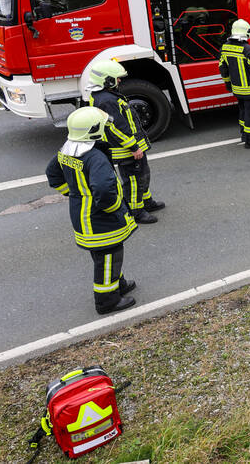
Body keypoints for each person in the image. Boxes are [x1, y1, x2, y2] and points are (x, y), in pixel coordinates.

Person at [45, 107, 138, 315]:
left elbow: (52, 173)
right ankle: (107, 301)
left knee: (104, 255)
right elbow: (105, 190)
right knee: (109, 254)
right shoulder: (94, 157)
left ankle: (117, 284)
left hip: (82, 215)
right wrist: (113, 208)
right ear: (94, 131)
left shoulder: (68, 149)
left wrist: (73, 193)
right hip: (100, 218)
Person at [85, 60, 165, 225]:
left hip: (129, 147)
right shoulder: (107, 100)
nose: (119, 81)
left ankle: (146, 202)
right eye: (117, 78)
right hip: (126, 150)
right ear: (107, 80)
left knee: (142, 175)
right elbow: (116, 129)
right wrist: (133, 147)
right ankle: (136, 211)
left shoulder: (103, 96)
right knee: (134, 180)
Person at [219, 19, 250, 149]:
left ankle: (244, 134)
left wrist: (227, 83)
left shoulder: (225, 47)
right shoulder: (248, 50)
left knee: (243, 111)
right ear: (246, 32)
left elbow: (222, 67)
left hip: (237, 89)